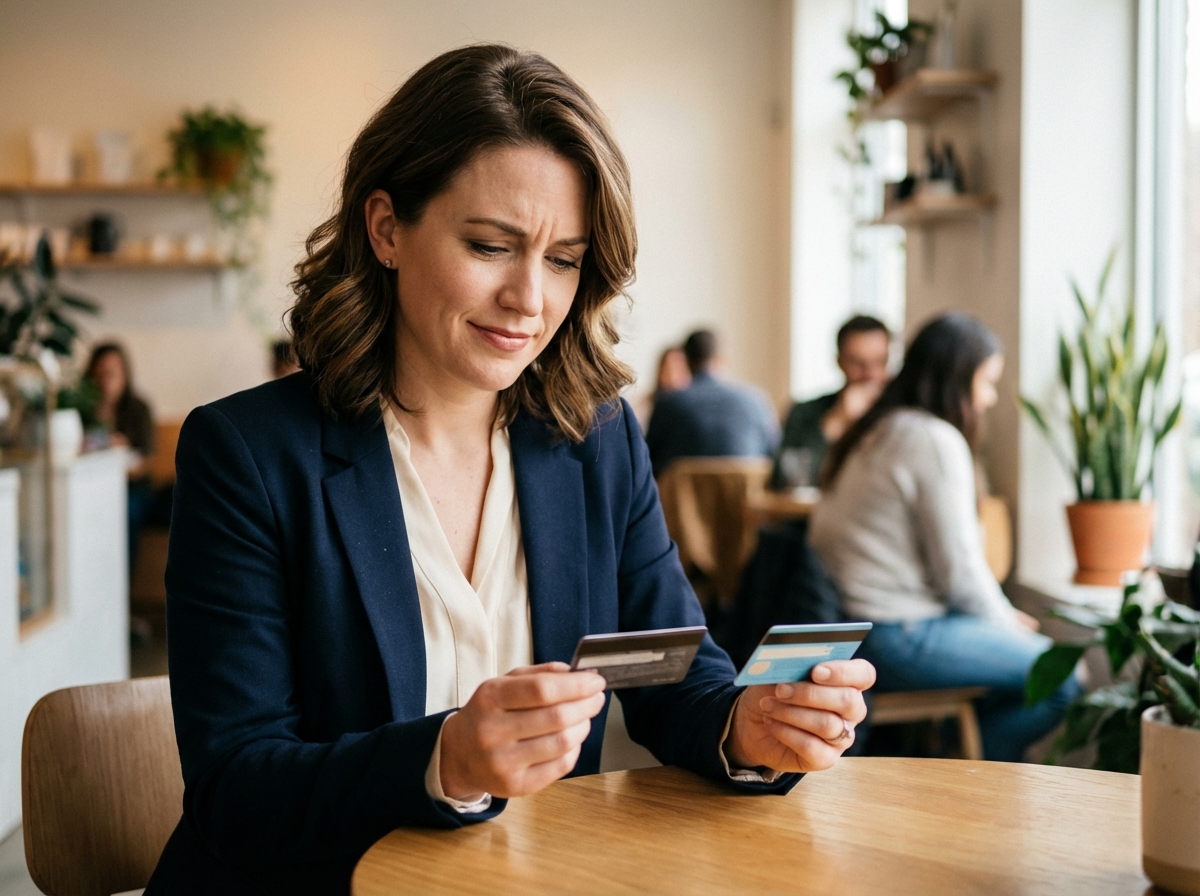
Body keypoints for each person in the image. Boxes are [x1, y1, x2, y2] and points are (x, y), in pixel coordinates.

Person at [147, 45, 874, 895]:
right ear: (386, 228)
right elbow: (237, 787)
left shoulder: (596, 441)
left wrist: (747, 727)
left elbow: (673, 674)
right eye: (492, 246)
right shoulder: (248, 457)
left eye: (563, 259)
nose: (531, 298)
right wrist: (444, 757)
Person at [808, 313, 1080, 762]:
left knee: (1017, 675)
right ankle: (976, 779)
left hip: (854, 625)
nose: (990, 398)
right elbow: (959, 573)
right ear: (957, 380)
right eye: (986, 382)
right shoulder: (932, 439)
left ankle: (958, 757)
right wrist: (1006, 618)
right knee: (1061, 676)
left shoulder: (878, 426)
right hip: (897, 635)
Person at [769, 315, 890, 490]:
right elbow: (786, 481)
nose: (870, 374)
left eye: (880, 362)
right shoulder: (805, 412)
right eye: (858, 363)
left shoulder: (902, 416)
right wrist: (835, 423)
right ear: (840, 362)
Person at [644, 329, 780, 477]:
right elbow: (775, 457)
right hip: (745, 499)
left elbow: (646, 462)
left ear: (686, 360)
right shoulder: (757, 401)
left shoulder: (669, 403)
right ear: (721, 358)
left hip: (683, 499)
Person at [85, 342, 155, 571]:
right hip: (91, 486)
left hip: (131, 488)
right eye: (101, 374)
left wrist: (121, 451)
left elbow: (147, 461)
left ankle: (120, 585)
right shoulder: (83, 408)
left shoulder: (138, 408)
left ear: (125, 375)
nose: (106, 380)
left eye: (112, 373)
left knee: (127, 511)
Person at [633, 344, 691, 429]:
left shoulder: (693, 407)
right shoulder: (647, 404)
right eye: (668, 369)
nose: (672, 376)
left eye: (678, 369)